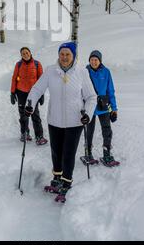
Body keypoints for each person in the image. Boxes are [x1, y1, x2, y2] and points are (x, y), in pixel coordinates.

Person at [25, 42, 97, 203]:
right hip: (54, 120)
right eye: (62, 54)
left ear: (73, 56)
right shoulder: (51, 71)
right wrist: (30, 104)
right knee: (56, 151)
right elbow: (37, 89)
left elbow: (92, 97)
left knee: (68, 153)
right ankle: (57, 178)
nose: (64, 57)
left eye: (68, 54)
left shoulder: (81, 72)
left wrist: (88, 115)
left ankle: (66, 183)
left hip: (75, 121)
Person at [85, 50, 119, 167]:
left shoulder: (106, 72)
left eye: (96, 60)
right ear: (89, 60)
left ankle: (106, 153)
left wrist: (114, 108)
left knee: (107, 130)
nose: (94, 62)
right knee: (89, 131)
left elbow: (110, 90)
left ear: (100, 61)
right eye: (92, 59)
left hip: (103, 106)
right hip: (89, 107)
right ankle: (88, 153)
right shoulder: (85, 72)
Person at [10, 47, 48, 145]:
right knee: (23, 114)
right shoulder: (18, 65)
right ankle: (24, 133)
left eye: (27, 53)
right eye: (23, 54)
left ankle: (39, 136)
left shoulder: (37, 64)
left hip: (33, 93)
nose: (25, 55)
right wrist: (12, 92)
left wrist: (41, 94)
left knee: (35, 114)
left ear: (30, 53)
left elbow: (41, 80)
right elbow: (14, 78)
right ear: (21, 55)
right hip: (21, 92)